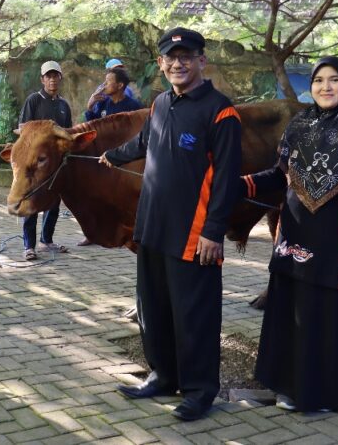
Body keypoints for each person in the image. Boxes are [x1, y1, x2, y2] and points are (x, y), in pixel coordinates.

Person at [102, 28, 242, 422]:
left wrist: (213, 232)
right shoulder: (161, 103)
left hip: (193, 236)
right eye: (170, 57)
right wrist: (112, 155)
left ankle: (199, 390)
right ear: (161, 64)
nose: (178, 63)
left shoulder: (220, 110)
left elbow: (228, 179)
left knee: (194, 316)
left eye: (187, 56)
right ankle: (163, 376)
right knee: (154, 310)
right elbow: (145, 142)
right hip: (152, 227)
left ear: (202, 61)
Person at [243, 56, 338, 413]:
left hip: (337, 244)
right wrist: (243, 183)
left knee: (325, 315)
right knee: (292, 311)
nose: (326, 87)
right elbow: (280, 175)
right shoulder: (298, 125)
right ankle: (288, 386)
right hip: (293, 237)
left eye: (334, 79)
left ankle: (324, 394)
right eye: (319, 80)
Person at [17, 60, 73, 261]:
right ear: (42, 79)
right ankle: (28, 246)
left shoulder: (64, 105)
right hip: (35, 164)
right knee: (32, 202)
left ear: (60, 78)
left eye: (55, 75)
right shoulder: (34, 100)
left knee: (53, 202)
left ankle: (46, 240)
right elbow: (23, 128)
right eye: (48, 76)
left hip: (55, 164)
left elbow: (68, 132)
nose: (51, 79)